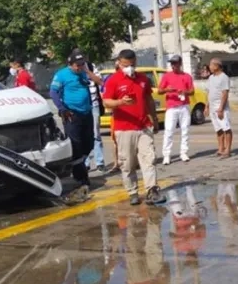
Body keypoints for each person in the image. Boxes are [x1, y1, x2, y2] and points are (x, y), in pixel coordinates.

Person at [102, 49, 166, 206]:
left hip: (144, 126)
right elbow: (106, 102)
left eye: (132, 64)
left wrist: (154, 119)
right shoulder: (113, 80)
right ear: (119, 63)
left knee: (149, 159)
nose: (129, 67)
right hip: (124, 128)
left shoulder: (143, 79)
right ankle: (132, 192)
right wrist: (120, 103)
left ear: (135, 62)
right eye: (125, 65)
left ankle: (152, 190)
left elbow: (149, 100)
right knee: (128, 163)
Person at [50, 50, 103, 197]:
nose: (79, 67)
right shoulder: (61, 75)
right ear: (70, 64)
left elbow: (100, 82)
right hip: (72, 114)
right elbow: (53, 92)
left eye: (81, 64)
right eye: (77, 65)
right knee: (76, 146)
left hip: (87, 112)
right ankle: (82, 177)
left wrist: (87, 70)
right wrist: (62, 109)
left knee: (90, 143)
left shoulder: (84, 72)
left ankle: (76, 168)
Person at [157, 54, 194, 165]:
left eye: (175, 63)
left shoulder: (187, 76)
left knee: (185, 130)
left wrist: (184, 92)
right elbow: (159, 90)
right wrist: (167, 90)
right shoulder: (167, 76)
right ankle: (167, 155)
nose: (173, 65)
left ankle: (183, 152)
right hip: (172, 107)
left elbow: (192, 91)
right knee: (169, 131)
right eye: (172, 63)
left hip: (184, 106)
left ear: (180, 64)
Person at [80, 51, 106, 173]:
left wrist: (87, 71)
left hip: (94, 104)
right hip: (81, 106)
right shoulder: (72, 69)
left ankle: (100, 162)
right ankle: (85, 163)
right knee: (83, 135)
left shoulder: (91, 66)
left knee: (96, 134)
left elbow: (100, 82)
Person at [207, 58, 233, 157]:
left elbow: (225, 93)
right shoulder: (211, 78)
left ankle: (228, 149)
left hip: (220, 107)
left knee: (226, 128)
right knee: (218, 129)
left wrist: (221, 108)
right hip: (213, 107)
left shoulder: (224, 77)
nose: (210, 67)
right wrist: (207, 106)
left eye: (211, 65)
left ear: (217, 66)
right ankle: (220, 148)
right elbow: (209, 93)